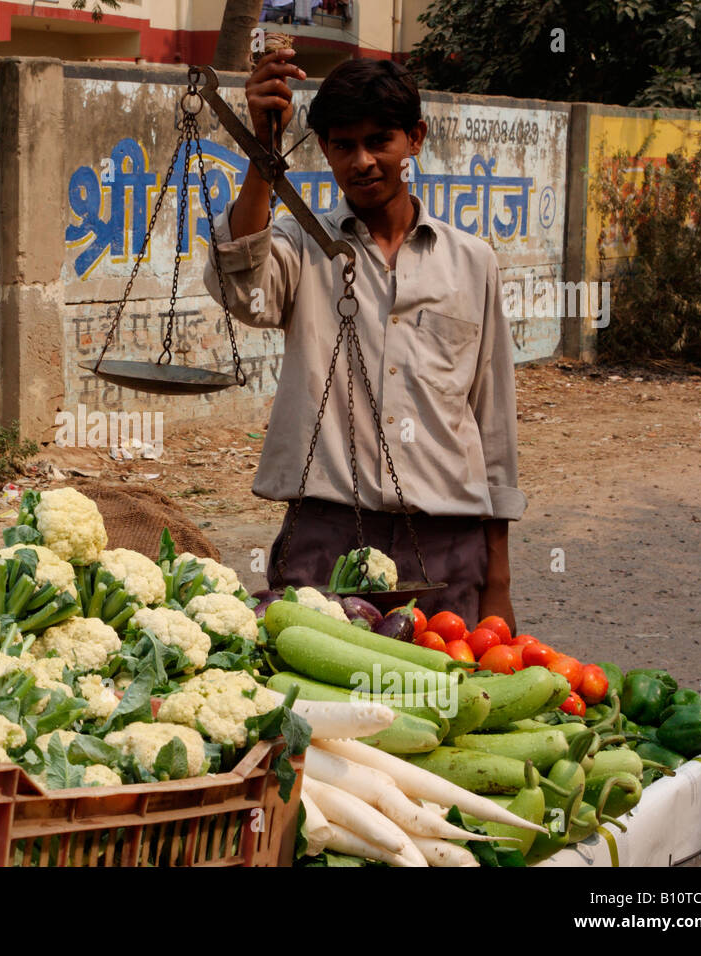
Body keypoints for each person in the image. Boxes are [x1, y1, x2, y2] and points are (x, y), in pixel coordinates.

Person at [202, 54, 525, 632]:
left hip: (447, 538)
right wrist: (261, 151)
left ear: (415, 138)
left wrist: (497, 583)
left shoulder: (472, 263)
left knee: (450, 711)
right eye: (343, 145)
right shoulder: (302, 244)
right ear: (323, 149)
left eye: (380, 141)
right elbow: (242, 288)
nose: (363, 161)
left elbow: (492, 422)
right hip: (326, 534)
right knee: (319, 713)